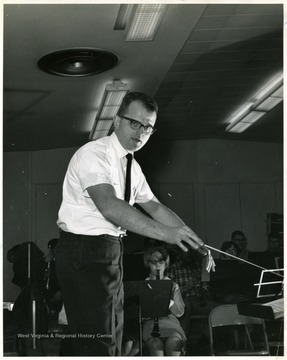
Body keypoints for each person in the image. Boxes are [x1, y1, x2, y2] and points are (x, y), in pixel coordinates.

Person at [55, 91, 215, 356]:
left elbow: (154, 206)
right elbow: (110, 207)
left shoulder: (132, 166)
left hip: (110, 251)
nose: (141, 132)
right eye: (135, 123)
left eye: (148, 127)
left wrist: (196, 243)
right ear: (117, 121)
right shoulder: (94, 154)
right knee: (98, 343)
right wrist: (167, 234)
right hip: (85, 251)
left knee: (113, 338)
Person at [166, 246, 218, 351]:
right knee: (185, 306)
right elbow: (169, 294)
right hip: (184, 300)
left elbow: (208, 287)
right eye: (186, 252)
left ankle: (210, 341)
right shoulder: (172, 269)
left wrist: (205, 288)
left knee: (218, 309)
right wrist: (187, 286)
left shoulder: (199, 267)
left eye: (191, 252)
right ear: (180, 254)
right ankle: (183, 345)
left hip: (200, 300)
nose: (189, 255)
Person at [142, 246, 186, 356]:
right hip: (151, 324)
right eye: (153, 262)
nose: (157, 265)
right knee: (155, 344)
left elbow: (180, 312)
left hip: (170, 322)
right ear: (148, 264)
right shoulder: (142, 286)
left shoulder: (173, 285)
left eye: (161, 261)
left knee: (173, 343)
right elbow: (138, 314)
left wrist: (167, 300)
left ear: (165, 263)